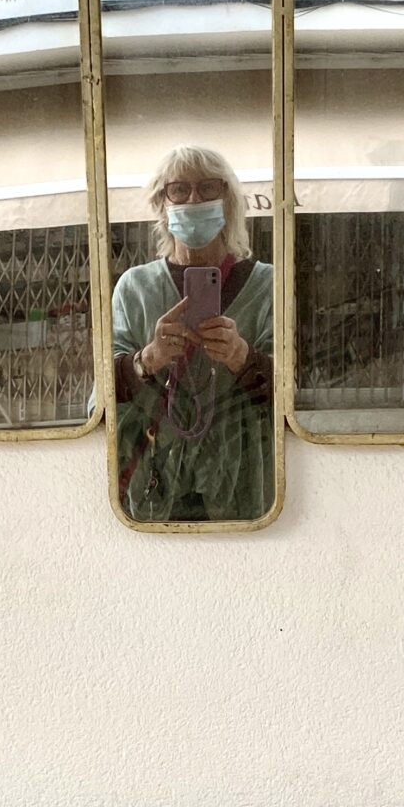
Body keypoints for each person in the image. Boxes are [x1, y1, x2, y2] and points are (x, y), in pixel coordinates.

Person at [112, 145, 274, 523]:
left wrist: (242, 358)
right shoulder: (135, 288)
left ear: (228, 201)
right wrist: (148, 359)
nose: (193, 199)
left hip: (245, 485)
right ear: (161, 203)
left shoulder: (268, 285)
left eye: (208, 187)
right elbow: (101, 398)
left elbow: (292, 393)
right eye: (179, 189)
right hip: (156, 485)